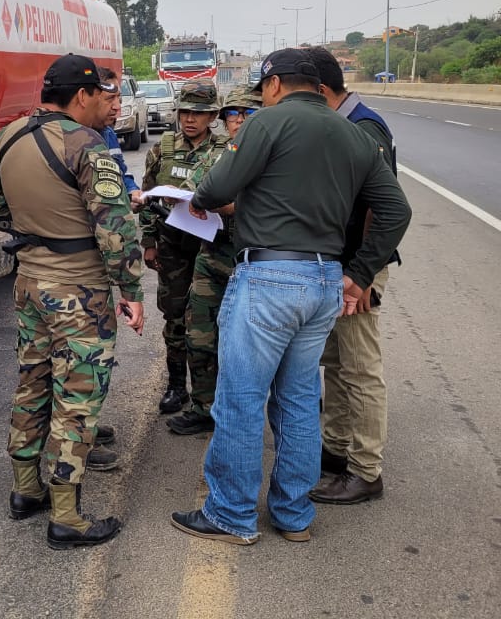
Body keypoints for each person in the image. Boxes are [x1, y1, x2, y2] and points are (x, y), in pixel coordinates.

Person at [171, 49, 411, 545]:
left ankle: (231, 515)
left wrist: (194, 200)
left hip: (269, 280)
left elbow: (216, 189)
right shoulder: (354, 133)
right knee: (300, 400)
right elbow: (396, 211)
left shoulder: (268, 122)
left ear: (275, 84)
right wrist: (360, 272)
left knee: (241, 399)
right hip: (325, 282)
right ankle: (294, 514)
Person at [0, 54, 146, 550]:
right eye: (102, 95)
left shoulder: (7, 137)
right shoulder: (86, 146)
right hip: (79, 290)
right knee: (78, 397)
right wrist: (132, 291)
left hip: (30, 283)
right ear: (81, 95)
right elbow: (115, 230)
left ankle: (25, 490)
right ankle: (66, 517)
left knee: (32, 383)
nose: (107, 105)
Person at [306, 46, 397, 504]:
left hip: (359, 270)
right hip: (340, 266)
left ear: (321, 90)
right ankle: (337, 450)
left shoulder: (363, 127)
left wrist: (363, 274)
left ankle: (366, 470)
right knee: (336, 363)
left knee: (361, 368)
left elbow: (383, 210)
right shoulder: (343, 123)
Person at [165, 85, 262, 436]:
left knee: (251, 344)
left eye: (246, 115)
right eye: (231, 116)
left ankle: (246, 411)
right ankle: (204, 406)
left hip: (256, 261)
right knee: (200, 335)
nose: (237, 123)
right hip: (213, 255)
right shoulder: (220, 155)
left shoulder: (276, 155)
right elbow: (192, 188)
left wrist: (236, 206)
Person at [139, 78, 224, 413]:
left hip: (210, 249)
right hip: (172, 247)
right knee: (174, 318)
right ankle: (177, 387)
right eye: (185, 112)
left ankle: (209, 391)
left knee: (207, 322)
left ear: (212, 116)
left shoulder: (223, 151)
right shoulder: (164, 148)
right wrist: (148, 241)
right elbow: (148, 196)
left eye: (198, 113)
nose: (190, 119)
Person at [97, 66, 142, 206]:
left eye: (119, 99)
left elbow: (119, 171)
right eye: (110, 99)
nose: (117, 107)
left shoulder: (108, 133)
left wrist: (132, 191)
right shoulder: (72, 137)